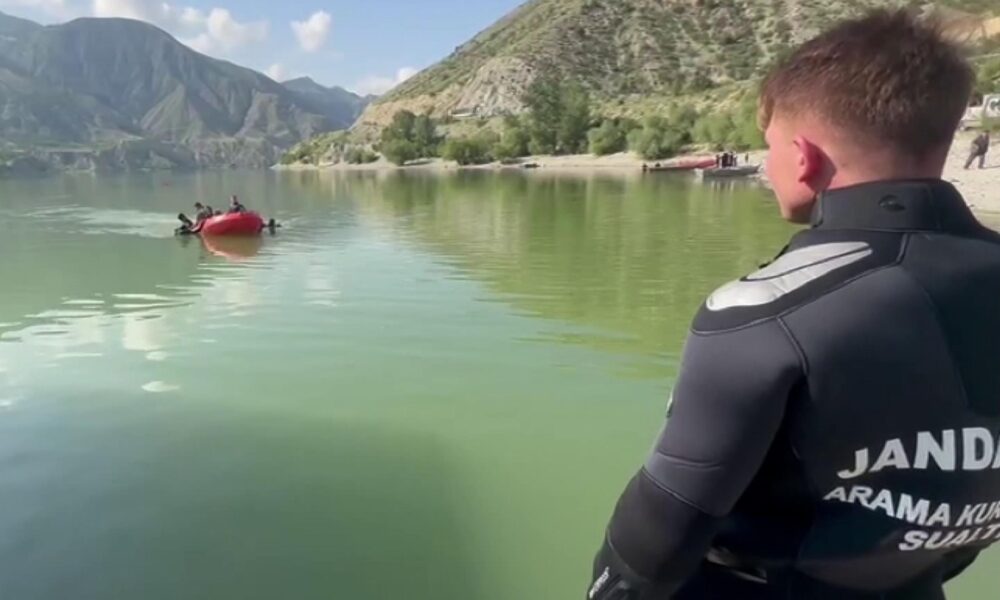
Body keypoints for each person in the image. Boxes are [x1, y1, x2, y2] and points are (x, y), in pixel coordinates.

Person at [588, 10, 1000, 600]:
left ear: (804, 157)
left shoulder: (763, 313)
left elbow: (658, 535)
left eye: (770, 147)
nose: (766, 165)